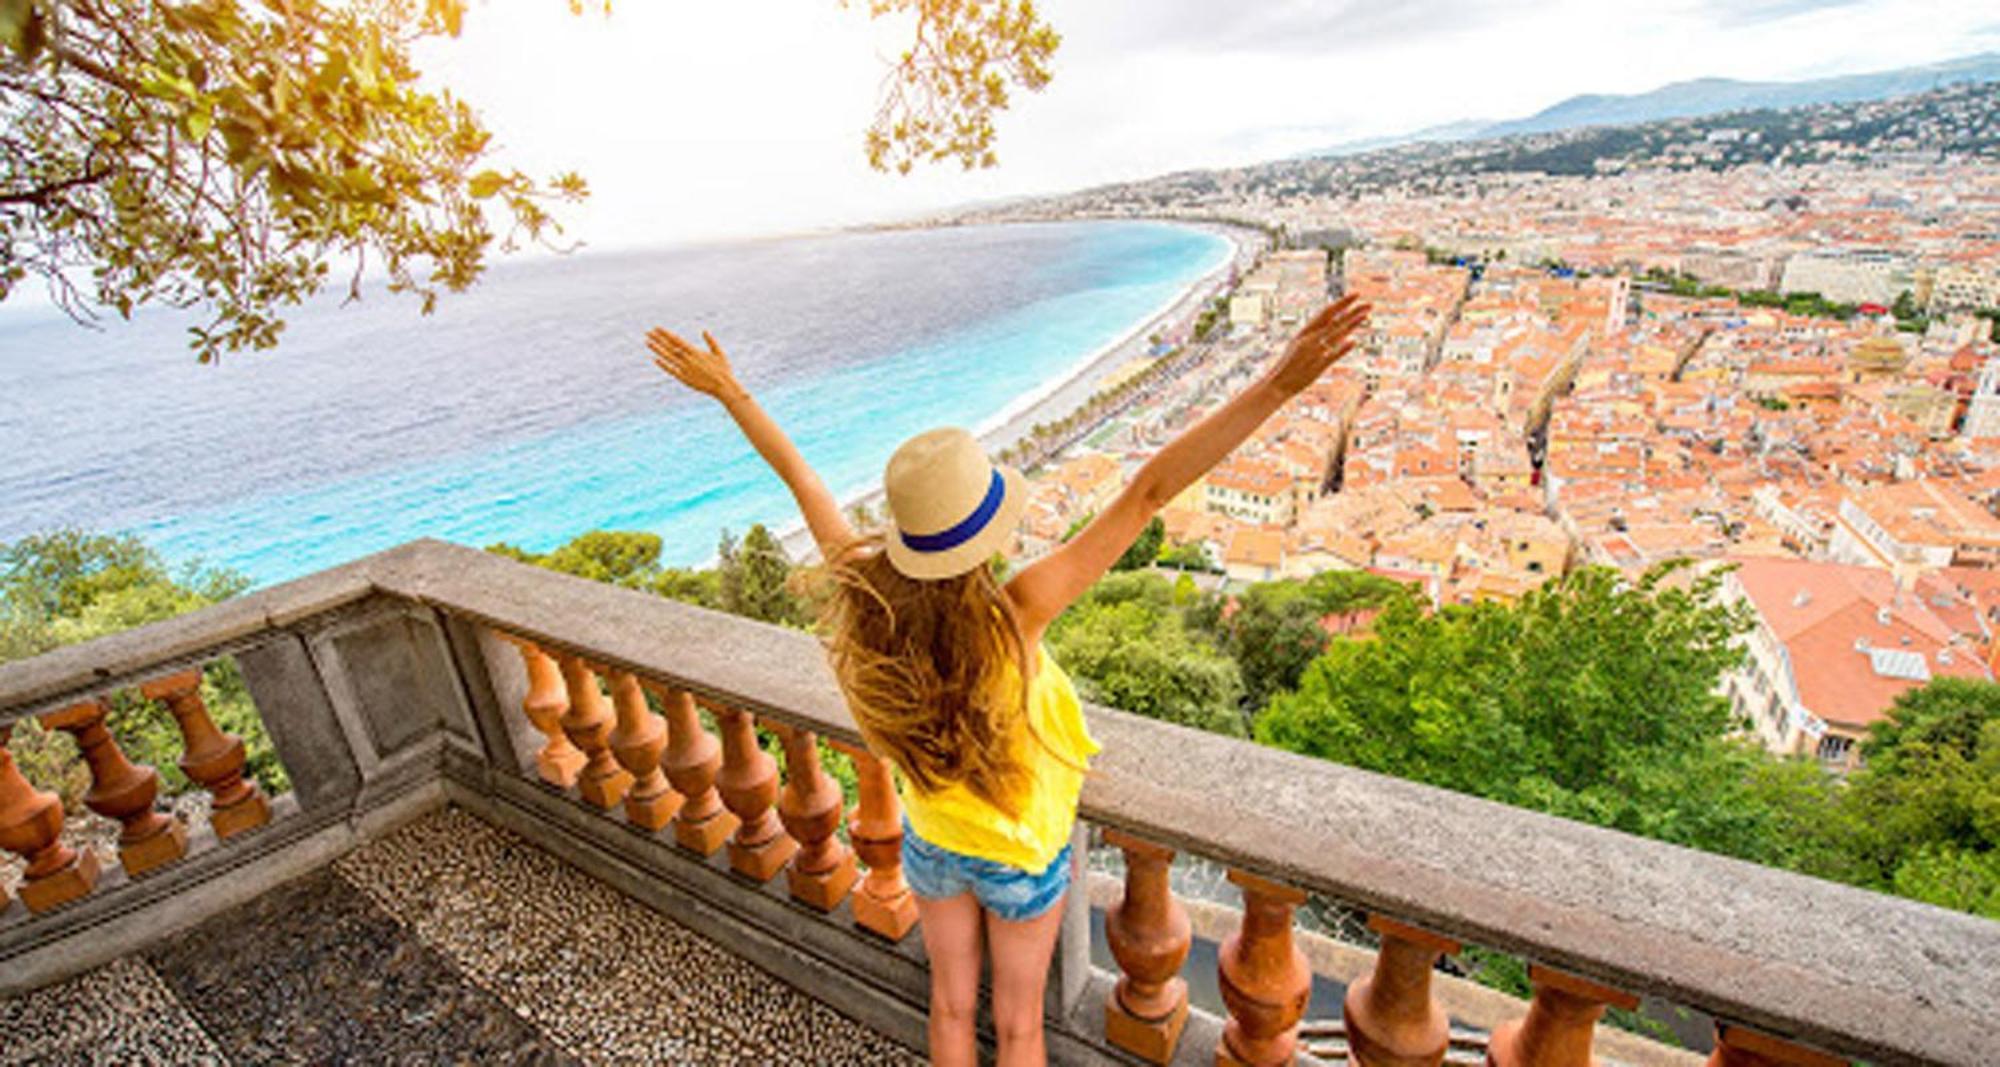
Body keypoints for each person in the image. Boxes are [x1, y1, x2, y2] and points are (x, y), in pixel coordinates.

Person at [645, 292, 1369, 1066]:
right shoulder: (1017, 612)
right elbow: (1149, 490)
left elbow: (804, 481)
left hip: (931, 842)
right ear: (984, 536)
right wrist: (1279, 384)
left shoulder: (870, 608)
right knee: (1020, 1027)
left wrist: (733, 393)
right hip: (1021, 853)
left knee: (952, 1007)